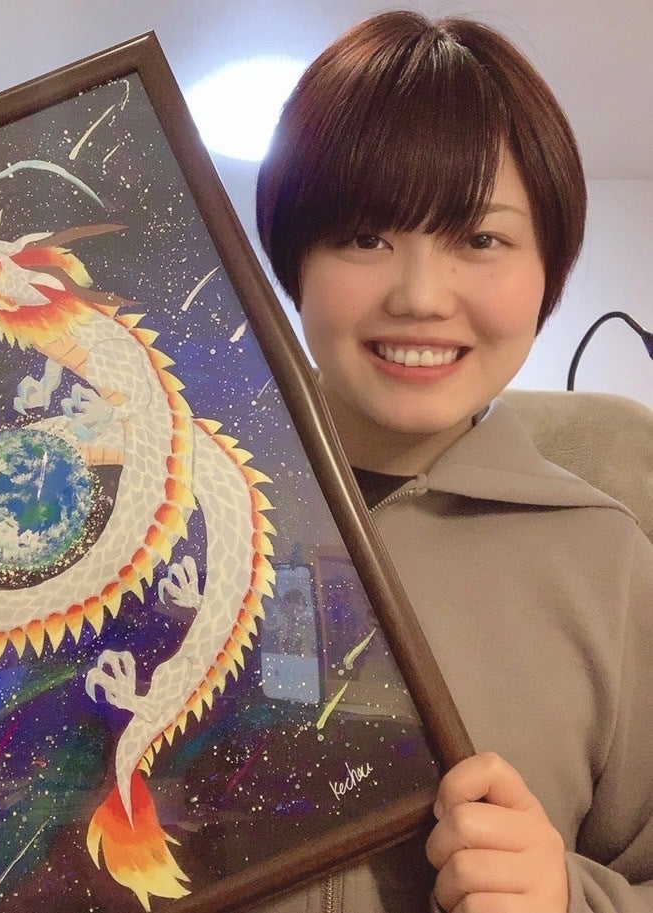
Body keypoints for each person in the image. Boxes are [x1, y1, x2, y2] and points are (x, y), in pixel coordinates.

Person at [252, 10, 653, 913]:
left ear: (548, 267)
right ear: (294, 258)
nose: (421, 297)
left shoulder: (609, 563)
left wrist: (567, 897)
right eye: (365, 236)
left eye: (480, 239)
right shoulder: (169, 515)